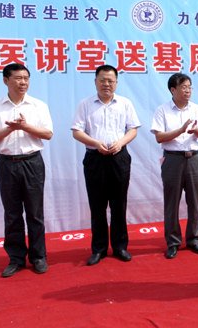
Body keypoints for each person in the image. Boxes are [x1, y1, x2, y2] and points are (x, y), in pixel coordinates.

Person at [0, 63, 53, 277]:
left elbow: (48, 134)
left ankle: (38, 257)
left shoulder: (38, 105)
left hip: (32, 162)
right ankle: (16, 259)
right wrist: (9, 129)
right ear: (6, 80)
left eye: (26, 78)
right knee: (12, 213)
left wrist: (24, 126)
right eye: (18, 78)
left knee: (35, 212)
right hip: (7, 164)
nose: (23, 82)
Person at [71, 65, 141, 266]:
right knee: (97, 205)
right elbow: (77, 131)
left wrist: (121, 142)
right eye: (102, 80)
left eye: (110, 80)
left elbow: (133, 129)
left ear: (116, 83)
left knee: (119, 204)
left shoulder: (125, 103)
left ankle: (120, 246)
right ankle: (99, 248)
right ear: (95, 82)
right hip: (95, 158)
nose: (106, 84)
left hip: (119, 158)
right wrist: (95, 143)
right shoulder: (85, 104)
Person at [151, 73, 198, 259]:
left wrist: (194, 129)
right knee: (172, 202)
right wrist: (181, 130)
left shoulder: (196, 108)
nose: (187, 91)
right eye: (183, 87)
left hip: (193, 159)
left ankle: (194, 239)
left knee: (194, 201)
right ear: (173, 90)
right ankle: (173, 242)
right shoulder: (162, 110)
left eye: (189, 87)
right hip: (172, 159)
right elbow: (159, 137)